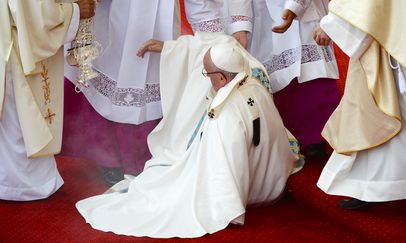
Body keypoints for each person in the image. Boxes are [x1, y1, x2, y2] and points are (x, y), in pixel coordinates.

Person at [76, 33, 298, 238]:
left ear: (221, 78)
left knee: (169, 187)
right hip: (272, 184)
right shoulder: (254, 84)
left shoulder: (224, 115)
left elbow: (231, 164)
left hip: (248, 193)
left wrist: (232, 210)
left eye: (207, 74)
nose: (206, 78)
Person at [316, 0, 406, 209]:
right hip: (399, 35)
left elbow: (369, 6)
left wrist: (333, 22)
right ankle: (395, 182)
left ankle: (377, 186)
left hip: (387, 39)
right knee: (404, 113)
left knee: (380, 112)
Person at [63, 0, 177, 185]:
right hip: (113, 12)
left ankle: (146, 158)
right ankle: (109, 158)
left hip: (154, 15)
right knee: (106, 70)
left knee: (148, 74)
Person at [0, 0, 95, 201]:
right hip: (15, 49)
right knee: (22, 118)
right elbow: (39, 16)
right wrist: (76, 9)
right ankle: (21, 184)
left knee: (16, 119)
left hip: (8, 39)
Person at [257, 0, 340, 160]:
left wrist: (294, 7)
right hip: (266, 13)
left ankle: (317, 139)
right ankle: (290, 139)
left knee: (313, 74)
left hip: (305, 14)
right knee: (279, 76)